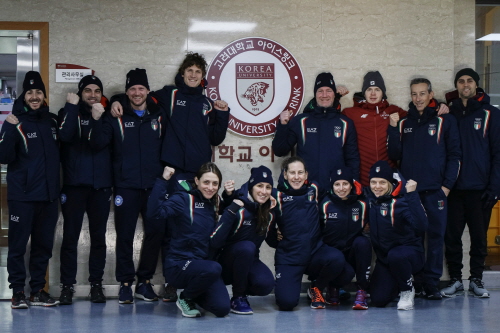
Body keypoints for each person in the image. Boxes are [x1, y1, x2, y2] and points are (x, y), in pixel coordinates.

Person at [111, 52, 230, 301]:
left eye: (198, 72)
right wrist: (115, 99)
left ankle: (178, 281)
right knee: (165, 228)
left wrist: (223, 113)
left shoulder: (207, 104)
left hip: (198, 176)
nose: (193, 75)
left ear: (203, 76)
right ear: (183, 73)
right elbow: (138, 95)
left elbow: (217, 138)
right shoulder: (169, 95)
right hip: (173, 172)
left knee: (186, 229)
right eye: (190, 71)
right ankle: (151, 282)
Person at [89, 68, 167, 303]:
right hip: (126, 186)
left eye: (141, 88)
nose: (137, 92)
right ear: (126, 92)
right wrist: (103, 113)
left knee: (155, 234)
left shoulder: (159, 117)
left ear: (147, 91)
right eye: (132, 88)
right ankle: (125, 283)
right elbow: (99, 143)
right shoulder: (117, 117)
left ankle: (144, 282)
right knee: (125, 235)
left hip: (154, 187)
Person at [387, 78, 461, 300]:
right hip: (411, 194)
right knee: (414, 239)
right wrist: (392, 129)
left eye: (422, 94)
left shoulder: (444, 120)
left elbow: (455, 156)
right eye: (414, 94)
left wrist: (446, 187)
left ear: (431, 94)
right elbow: (394, 156)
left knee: (436, 238)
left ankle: (431, 283)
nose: (417, 98)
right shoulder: (403, 123)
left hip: (436, 193)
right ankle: (417, 282)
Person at [0, 71, 60, 308]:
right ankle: (17, 292)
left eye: (38, 92)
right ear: (24, 96)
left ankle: (37, 290)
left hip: (48, 197)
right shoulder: (16, 122)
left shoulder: (52, 121)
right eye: (30, 92)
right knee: (17, 246)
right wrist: (7, 128)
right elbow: (3, 157)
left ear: (44, 96)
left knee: (43, 246)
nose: (34, 97)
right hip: (22, 197)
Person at [441, 68, 500, 298]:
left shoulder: (490, 113)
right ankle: (456, 279)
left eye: (469, 81)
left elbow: (498, 153)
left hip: (480, 190)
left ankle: (476, 279)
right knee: (452, 238)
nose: (465, 84)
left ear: (476, 85)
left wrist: (494, 187)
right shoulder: (449, 112)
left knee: (479, 238)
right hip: (453, 189)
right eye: (461, 81)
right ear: (456, 85)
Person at [147, 162, 230, 318]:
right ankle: (185, 297)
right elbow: (154, 214)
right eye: (206, 182)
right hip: (179, 265)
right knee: (214, 268)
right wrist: (163, 180)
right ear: (197, 181)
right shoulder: (183, 199)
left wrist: (230, 196)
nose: (210, 187)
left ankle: (194, 294)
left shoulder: (214, 202)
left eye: (215, 183)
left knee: (222, 308)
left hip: (203, 267)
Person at [266, 156, 349, 310]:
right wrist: (278, 240)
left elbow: (335, 199)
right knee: (286, 303)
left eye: (300, 172)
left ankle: (316, 287)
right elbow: (268, 231)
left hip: (314, 253)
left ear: (306, 174)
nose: (296, 177)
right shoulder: (276, 196)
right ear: (285, 174)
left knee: (340, 263)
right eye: (292, 173)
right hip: (290, 257)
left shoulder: (315, 189)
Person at [57, 75, 112, 304]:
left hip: (100, 188)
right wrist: (70, 108)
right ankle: (67, 286)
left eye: (97, 90)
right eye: (88, 90)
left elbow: (98, 143)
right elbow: (64, 135)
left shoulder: (107, 117)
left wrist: (98, 119)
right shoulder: (69, 113)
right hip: (74, 187)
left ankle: (96, 285)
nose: (93, 94)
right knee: (70, 237)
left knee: (99, 238)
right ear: (80, 93)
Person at [342, 71, 449, 186]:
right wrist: (336, 95)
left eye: (377, 89)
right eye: (369, 90)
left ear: (383, 92)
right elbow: (332, 120)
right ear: (364, 92)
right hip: (363, 177)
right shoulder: (350, 113)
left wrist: (439, 105)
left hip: (388, 178)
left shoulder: (393, 110)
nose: (373, 94)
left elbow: (418, 115)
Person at [272, 72, 359, 197]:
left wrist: (353, 186)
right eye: (320, 91)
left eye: (329, 90)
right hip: (305, 191)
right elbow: (280, 150)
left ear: (334, 94)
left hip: (336, 192)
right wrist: (283, 125)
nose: (324, 95)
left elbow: (352, 159)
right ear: (315, 94)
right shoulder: (301, 121)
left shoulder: (345, 123)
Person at [367, 161, 427, 311]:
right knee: (378, 300)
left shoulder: (401, 201)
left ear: (390, 183)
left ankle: (407, 290)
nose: (377, 186)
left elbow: (422, 226)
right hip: (386, 260)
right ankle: (398, 282)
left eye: (382, 182)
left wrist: (412, 194)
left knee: (396, 255)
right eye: (373, 182)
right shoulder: (371, 200)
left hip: (409, 255)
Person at [216, 166, 276, 315]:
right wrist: (228, 196)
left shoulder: (268, 212)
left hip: (249, 259)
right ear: (251, 186)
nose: (264, 191)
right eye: (260, 186)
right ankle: (238, 297)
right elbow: (216, 239)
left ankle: (241, 289)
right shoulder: (239, 207)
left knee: (266, 284)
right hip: (225, 261)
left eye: (268, 187)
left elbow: (273, 241)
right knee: (247, 247)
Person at [320, 167, 371, 310]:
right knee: (337, 262)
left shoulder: (362, 204)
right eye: (337, 184)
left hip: (352, 252)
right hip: (332, 254)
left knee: (363, 242)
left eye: (345, 184)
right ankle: (333, 288)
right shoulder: (325, 204)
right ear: (332, 186)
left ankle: (361, 291)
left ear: (351, 185)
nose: (341, 188)